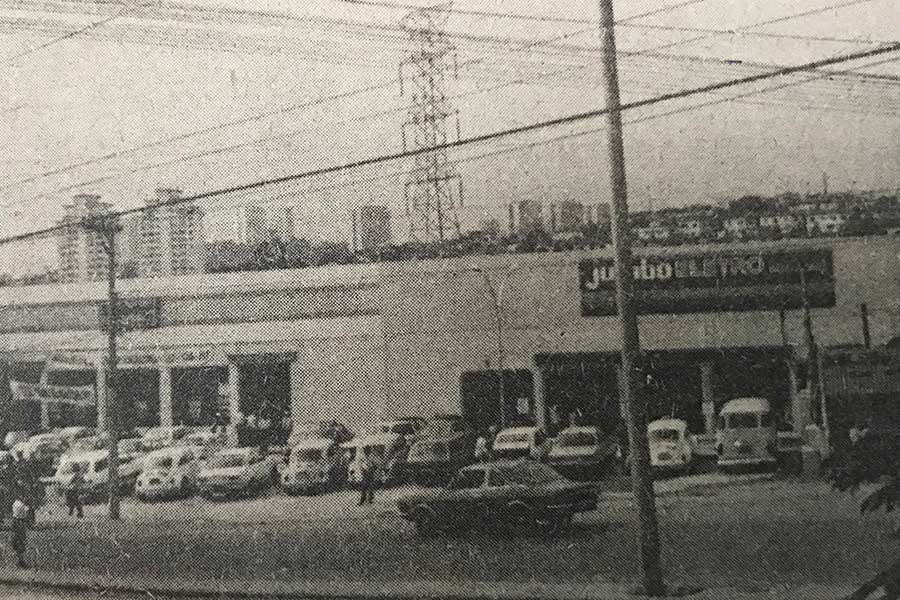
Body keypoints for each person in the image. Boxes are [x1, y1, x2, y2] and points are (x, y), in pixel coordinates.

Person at [10, 493, 29, 568]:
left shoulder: (16, 503)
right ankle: (20, 561)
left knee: (18, 541)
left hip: (16, 522)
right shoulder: (20, 504)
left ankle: (20, 560)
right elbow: (27, 513)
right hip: (19, 522)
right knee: (20, 541)